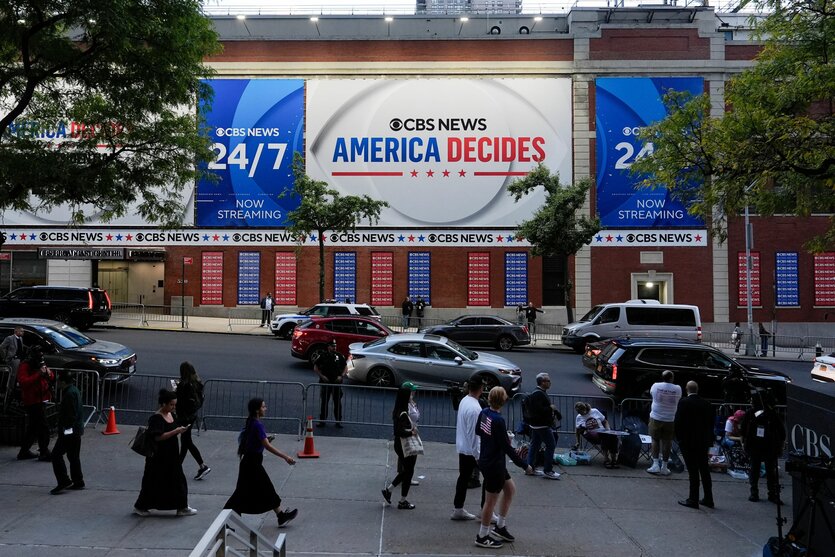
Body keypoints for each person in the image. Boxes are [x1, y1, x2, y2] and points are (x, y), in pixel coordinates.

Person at [225, 398, 298, 527]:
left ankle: (281, 516)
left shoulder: (252, 422)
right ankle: (224, 521)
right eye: (263, 407)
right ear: (257, 410)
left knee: (257, 490)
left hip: (250, 462)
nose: (266, 409)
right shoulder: (257, 425)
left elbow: (256, 441)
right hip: (252, 463)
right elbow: (267, 446)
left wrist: (264, 441)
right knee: (256, 490)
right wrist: (285, 457)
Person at [473, 386, 532, 549]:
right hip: (494, 464)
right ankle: (482, 535)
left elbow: (479, 430)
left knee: (510, 489)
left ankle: (500, 526)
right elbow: (507, 448)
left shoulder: (484, 412)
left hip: (487, 460)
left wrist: (498, 437)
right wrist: (524, 465)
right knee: (490, 501)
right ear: (503, 401)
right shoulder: (498, 420)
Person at [134, 389, 197, 516]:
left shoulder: (171, 415)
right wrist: (176, 431)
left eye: (174, 405)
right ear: (163, 404)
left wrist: (181, 430)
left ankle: (181, 506)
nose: (173, 407)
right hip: (158, 457)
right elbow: (157, 437)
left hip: (171, 456)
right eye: (171, 405)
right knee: (152, 481)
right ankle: (141, 506)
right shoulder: (156, 418)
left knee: (177, 480)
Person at [674, 381, 715, 509]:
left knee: (693, 471)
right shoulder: (707, 404)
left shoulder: (684, 403)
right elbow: (710, 423)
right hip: (703, 441)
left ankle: (693, 498)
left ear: (686, 389)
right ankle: (708, 497)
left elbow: (678, 422)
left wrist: (680, 439)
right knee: (704, 469)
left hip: (689, 441)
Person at [382, 381, 421, 510]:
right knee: (408, 472)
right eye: (411, 393)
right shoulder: (403, 413)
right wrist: (411, 432)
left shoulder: (399, 409)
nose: (413, 394)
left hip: (399, 445)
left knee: (406, 471)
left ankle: (390, 491)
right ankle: (402, 500)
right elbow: (399, 431)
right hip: (405, 445)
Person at [742, 391, 785, 504]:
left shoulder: (752, 413)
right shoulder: (771, 414)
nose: (750, 402)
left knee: (755, 470)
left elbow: (743, 430)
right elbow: (782, 432)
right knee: (770, 471)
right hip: (768, 446)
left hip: (756, 446)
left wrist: (745, 443)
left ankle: (755, 492)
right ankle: (772, 494)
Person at [452, 378, 483, 521]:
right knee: (490, 479)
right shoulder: (476, 408)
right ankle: (485, 509)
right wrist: (478, 455)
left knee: (463, 478)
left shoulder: (465, 400)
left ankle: (458, 508)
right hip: (471, 451)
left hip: (463, 447)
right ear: (481, 388)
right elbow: (474, 434)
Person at [50, 370, 84, 494]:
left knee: (56, 455)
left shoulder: (69, 394)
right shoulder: (74, 390)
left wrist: (66, 432)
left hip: (70, 431)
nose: (57, 382)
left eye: (58, 380)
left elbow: (70, 416)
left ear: (63, 382)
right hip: (77, 430)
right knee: (73, 456)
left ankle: (64, 480)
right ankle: (78, 481)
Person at [17, 347, 54, 461]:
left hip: (41, 398)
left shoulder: (40, 363)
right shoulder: (25, 365)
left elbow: (49, 376)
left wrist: (48, 373)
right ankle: (44, 451)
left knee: (33, 427)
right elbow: (23, 382)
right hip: (32, 400)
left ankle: (24, 452)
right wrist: (38, 374)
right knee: (43, 427)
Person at [175, 361, 210, 480]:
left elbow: (179, 400)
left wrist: (175, 389)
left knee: (186, 442)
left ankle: (202, 466)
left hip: (184, 416)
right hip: (192, 415)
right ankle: (179, 468)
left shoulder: (183, 385)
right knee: (185, 442)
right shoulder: (197, 383)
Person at [523, 373, 561, 480]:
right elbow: (538, 410)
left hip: (536, 425)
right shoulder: (538, 394)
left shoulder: (539, 393)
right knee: (551, 445)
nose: (550, 383)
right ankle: (548, 470)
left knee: (534, 446)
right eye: (548, 381)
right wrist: (550, 408)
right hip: (541, 425)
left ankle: (530, 468)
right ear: (542, 382)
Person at [646, 370, 682, 476]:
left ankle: (655, 464)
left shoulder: (656, 386)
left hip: (656, 416)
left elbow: (652, 394)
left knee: (655, 440)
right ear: (672, 378)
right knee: (667, 442)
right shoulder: (677, 389)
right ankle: (665, 467)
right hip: (670, 418)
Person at [574, 402, 618, 467]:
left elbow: (605, 421)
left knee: (613, 436)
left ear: (585, 409)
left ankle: (613, 458)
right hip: (590, 434)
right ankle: (606, 458)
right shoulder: (579, 417)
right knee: (604, 436)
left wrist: (608, 430)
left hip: (602, 430)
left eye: (581, 411)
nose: (580, 413)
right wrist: (577, 442)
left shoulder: (594, 411)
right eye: (578, 412)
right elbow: (577, 430)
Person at [314, 339, 347, 427]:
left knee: (337, 403)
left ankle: (338, 421)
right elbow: (316, 367)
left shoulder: (339, 356)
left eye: (335, 346)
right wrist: (322, 376)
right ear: (328, 347)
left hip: (336, 383)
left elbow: (345, 367)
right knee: (324, 402)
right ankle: (322, 421)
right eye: (332, 346)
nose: (334, 347)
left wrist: (341, 376)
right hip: (326, 383)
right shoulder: (322, 356)